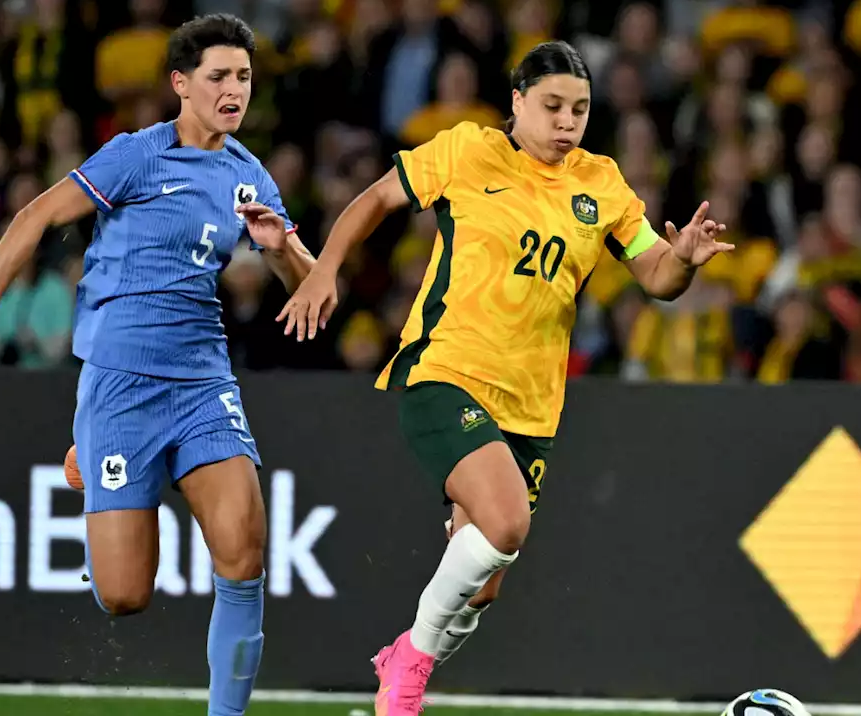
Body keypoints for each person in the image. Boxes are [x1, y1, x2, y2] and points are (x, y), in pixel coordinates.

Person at [278, 41, 732, 716]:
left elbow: (657, 274)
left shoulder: (600, 183)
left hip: (532, 407)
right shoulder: (468, 151)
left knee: (481, 583)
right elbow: (375, 199)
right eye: (551, 106)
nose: (566, 121)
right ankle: (408, 666)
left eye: (579, 109)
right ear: (518, 102)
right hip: (446, 371)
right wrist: (324, 268)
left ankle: (410, 652)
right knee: (507, 523)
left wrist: (686, 261)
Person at [0, 14, 314, 716]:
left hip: (202, 381)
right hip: (122, 383)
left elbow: (309, 289)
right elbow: (37, 214)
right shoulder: (137, 155)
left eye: (243, 77)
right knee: (125, 595)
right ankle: (96, 456)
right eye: (218, 76)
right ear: (181, 84)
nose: (233, 90)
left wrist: (279, 247)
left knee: (245, 559)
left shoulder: (250, 176)